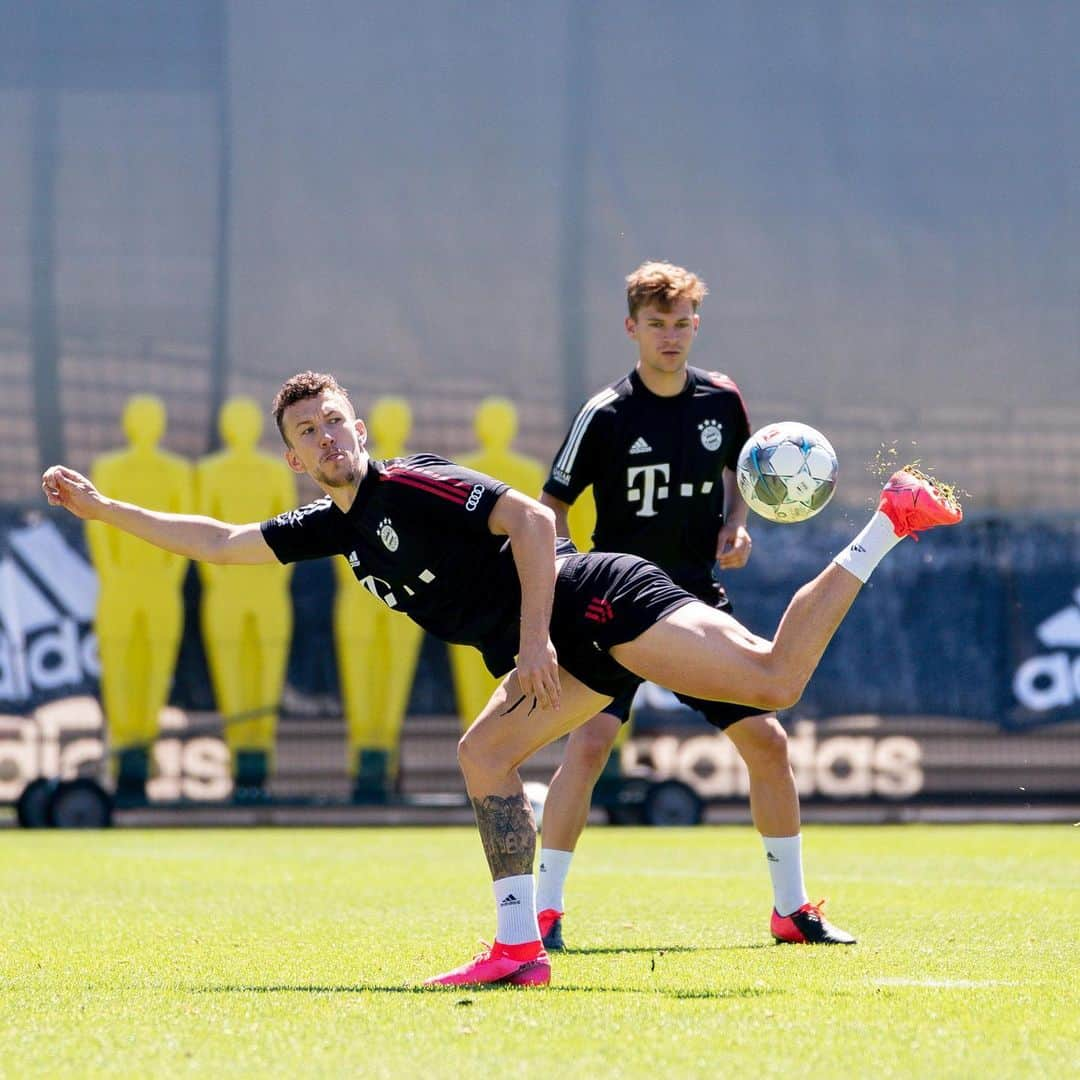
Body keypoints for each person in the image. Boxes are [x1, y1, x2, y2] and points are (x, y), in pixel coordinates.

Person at [42, 370, 961, 989]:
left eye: (333, 423)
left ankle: (890, 517)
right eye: (306, 434)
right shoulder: (336, 522)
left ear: (359, 430)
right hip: (561, 644)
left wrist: (530, 644)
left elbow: (529, 521)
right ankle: (521, 947)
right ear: (292, 457)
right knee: (484, 756)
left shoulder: (409, 482)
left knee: (772, 683)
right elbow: (220, 541)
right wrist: (103, 507)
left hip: (590, 601)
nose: (325, 440)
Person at [536, 260, 851, 949]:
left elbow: (745, 473)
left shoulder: (721, 400)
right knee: (589, 744)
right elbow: (548, 510)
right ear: (632, 329)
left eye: (682, 323)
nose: (671, 336)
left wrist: (738, 521)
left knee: (767, 742)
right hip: (615, 603)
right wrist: (568, 576)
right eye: (657, 324)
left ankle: (791, 911)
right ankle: (543, 914)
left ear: (696, 325)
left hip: (694, 598)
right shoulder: (606, 414)